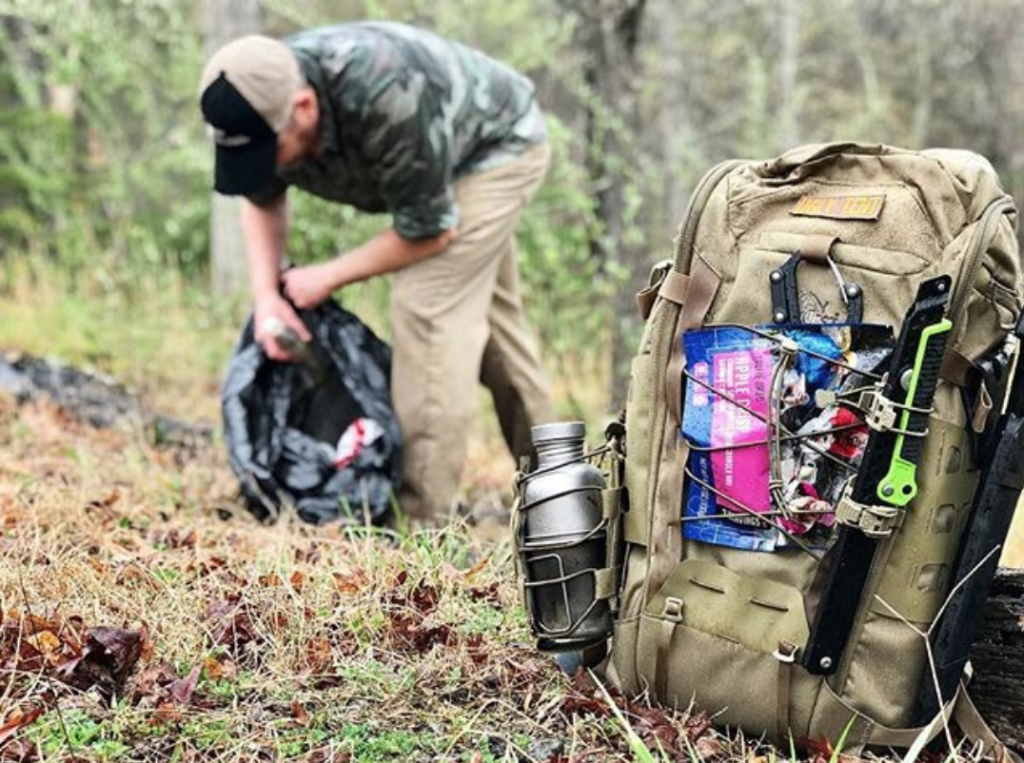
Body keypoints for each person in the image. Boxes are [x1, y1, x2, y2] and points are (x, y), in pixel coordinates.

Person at [199, 22, 555, 525]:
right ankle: (564, 494)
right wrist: (267, 296)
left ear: (304, 107)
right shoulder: (258, 99)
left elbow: (429, 232)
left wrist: (327, 276)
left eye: (270, 150)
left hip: (494, 153)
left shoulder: (386, 95)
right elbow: (261, 193)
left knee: (428, 306)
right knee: (491, 327)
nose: (265, 164)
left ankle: (417, 522)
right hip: (434, 160)